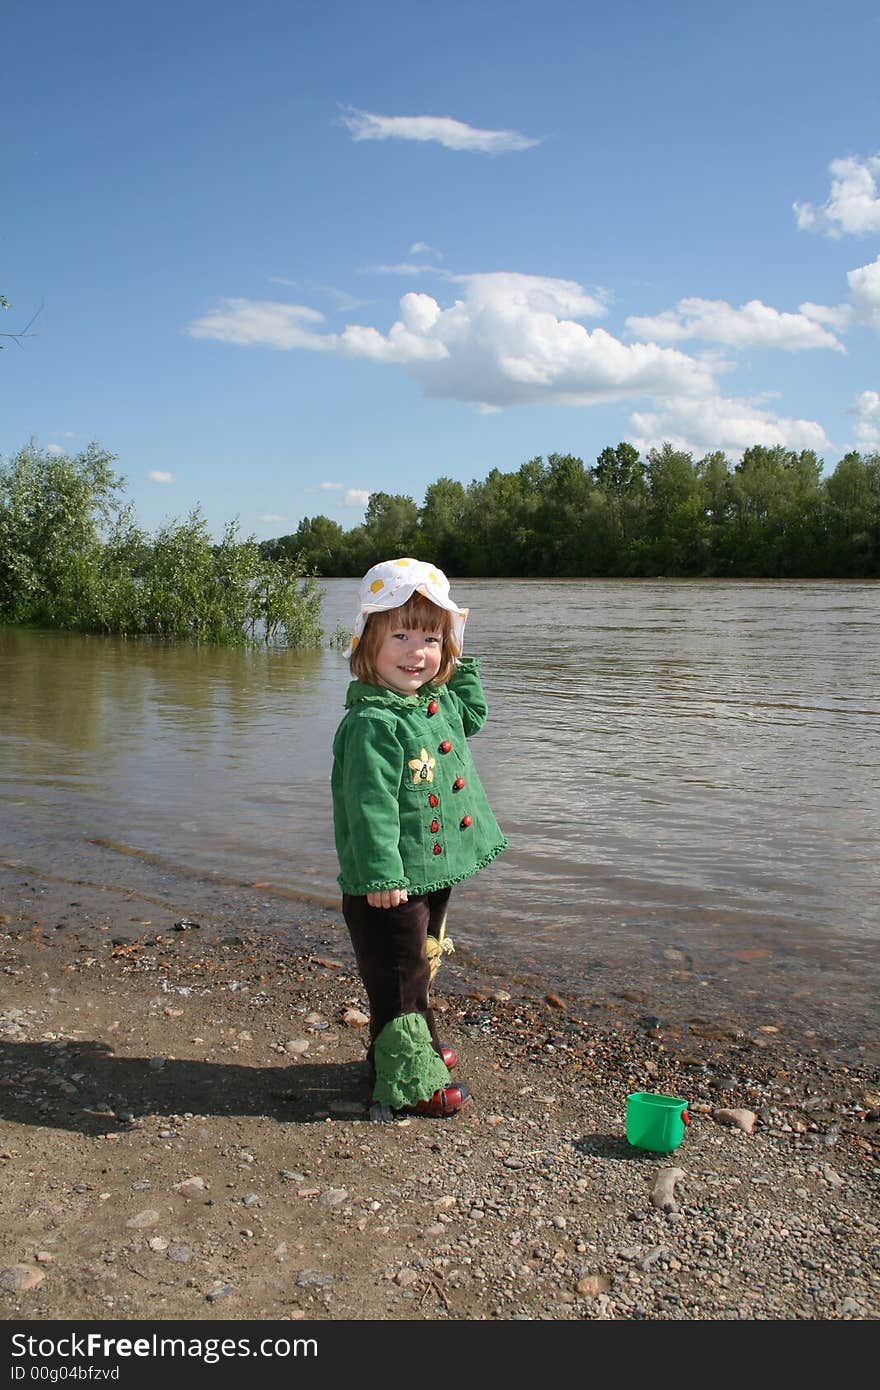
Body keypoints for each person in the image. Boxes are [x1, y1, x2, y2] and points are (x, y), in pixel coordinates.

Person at [331, 557, 507, 1118]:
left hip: (430, 869)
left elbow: (473, 717)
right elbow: (370, 807)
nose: (416, 651)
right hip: (391, 880)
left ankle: (414, 1050)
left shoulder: (433, 700)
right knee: (400, 978)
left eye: (431, 637)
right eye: (401, 635)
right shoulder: (374, 722)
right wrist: (381, 875)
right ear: (367, 646)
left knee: (419, 962)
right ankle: (407, 1080)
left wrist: (459, 654)